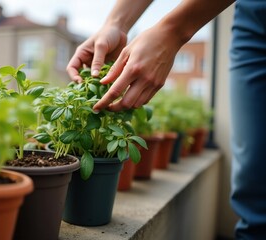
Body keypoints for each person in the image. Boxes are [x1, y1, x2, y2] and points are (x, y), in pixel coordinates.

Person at [66, 0, 266, 239]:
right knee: (254, 191)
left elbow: (173, 30)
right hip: (253, 20)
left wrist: (172, 31)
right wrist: (116, 23)